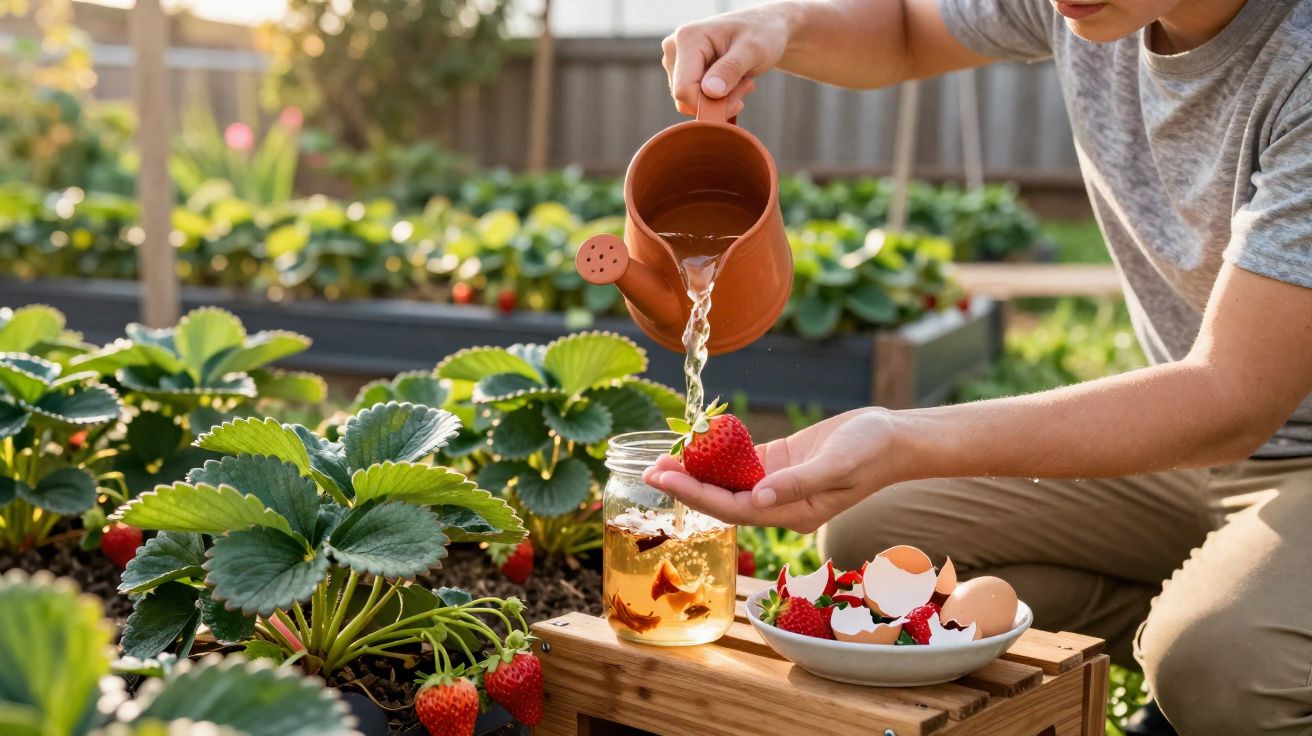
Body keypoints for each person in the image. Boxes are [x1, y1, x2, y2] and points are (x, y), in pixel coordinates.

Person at [644, 1, 1312, 733]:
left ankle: (1224, 649)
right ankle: (1205, 627)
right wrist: (782, 25)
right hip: (1192, 452)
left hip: (1269, 439)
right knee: (880, 537)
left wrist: (907, 439)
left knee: (1223, 664)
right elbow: (906, 32)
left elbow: (1231, 397)